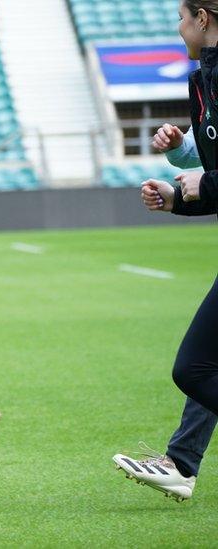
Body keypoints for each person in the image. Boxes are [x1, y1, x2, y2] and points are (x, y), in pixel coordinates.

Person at [112, 0, 218, 502]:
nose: (178, 29)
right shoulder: (202, 79)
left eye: (181, 17)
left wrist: (200, 185)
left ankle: (180, 463)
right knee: (206, 363)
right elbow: (209, 174)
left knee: (195, 367)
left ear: (202, 17)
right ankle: (181, 464)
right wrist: (177, 197)